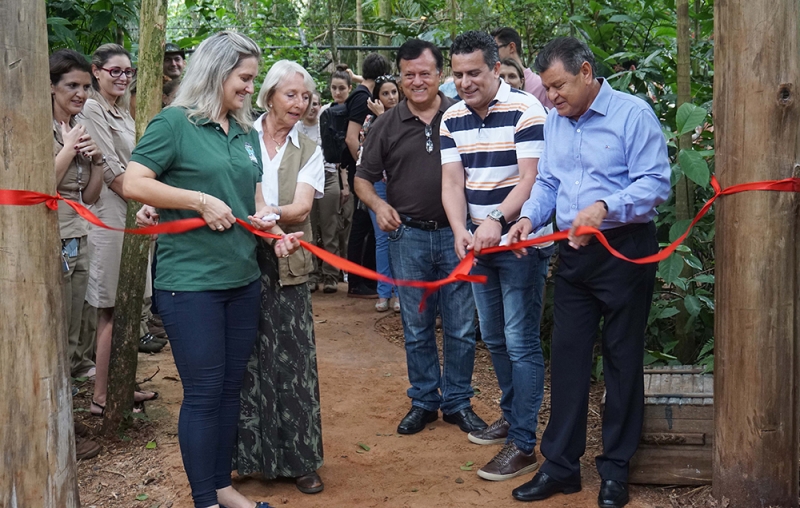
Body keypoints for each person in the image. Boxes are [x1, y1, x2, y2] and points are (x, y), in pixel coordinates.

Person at [124, 31, 298, 508]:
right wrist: (197, 201)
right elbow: (134, 182)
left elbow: (256, 200)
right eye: (243, 78)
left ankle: (222, 488)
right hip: (190, 284)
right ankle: (205, 499)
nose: (249, 87)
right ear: (216, 72)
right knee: (203, 393)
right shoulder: (174, 124)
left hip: (241, 279)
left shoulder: (242, 131)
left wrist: (272, 230)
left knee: (228, 390)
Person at [507, 37, 670, 507]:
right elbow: (550, 182)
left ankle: (616, 470)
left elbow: (655, 181)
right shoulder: (556, 121)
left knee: (621, 361)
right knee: (569, 359)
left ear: (585, 71)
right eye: (548, 88)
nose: (552, 96)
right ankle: (561, 467)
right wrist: (526, 219)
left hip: (623, 251)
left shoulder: (632, 114)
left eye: (558, 86)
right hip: (574, 254)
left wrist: (604, 207)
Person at [355, 39, 487, 436]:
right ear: (399, 76)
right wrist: (379, 208)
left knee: (462, 325)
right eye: (408, 74)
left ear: (440, 75)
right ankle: (425, 400)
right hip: (407, 237)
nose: (416, 81)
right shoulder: (385, 124)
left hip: (458, 235)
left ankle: (458, 402)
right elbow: (362, 178)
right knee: (416, 325)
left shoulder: (463, 114)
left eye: (425, 73)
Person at [441, 30, 553, 483]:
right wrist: (458, 230)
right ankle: (511, 417)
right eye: (458, 74)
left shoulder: (526, 109)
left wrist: (497, 220)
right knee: (496, 337)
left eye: (473, 73)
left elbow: (531, 178)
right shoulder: (451, 116)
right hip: (478, 246)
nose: (465, 82)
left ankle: (524, 443)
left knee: (521, 339)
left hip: (521, 244)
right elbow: (452, 181)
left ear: (494, 68)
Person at [232, 60, 326, 495]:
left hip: (286, 262)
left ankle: (301, 461)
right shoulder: (239, 136)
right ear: (268, 95)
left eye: (305, 96)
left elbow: (302, 207)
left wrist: (266, 216)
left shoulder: (308, 147)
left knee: (293, 360)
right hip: (237, 261)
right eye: (291, 94)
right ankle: (248, 457)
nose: (300, 103)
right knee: (245, 359)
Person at [79, 43, 158, 416]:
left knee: (129, 303)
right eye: (115, 71)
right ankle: (100, 396)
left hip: (135, 214)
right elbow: (111, 170)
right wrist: (147, 198)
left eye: (128, 72)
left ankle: (123, 383)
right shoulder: (92, 108)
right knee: (110, 307)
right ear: (96, 71)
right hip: (109, 216)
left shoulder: (125, 112)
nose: (123, 77)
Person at [50, 48, 105, 461]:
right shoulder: (41, 128)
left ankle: (65, 427)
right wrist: (68, 147)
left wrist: (98, 162)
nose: (81, 93)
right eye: (72, 85)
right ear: (51, 86)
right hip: (54, 239)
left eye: (86, 87)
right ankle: (58, 434)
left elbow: (88, 194)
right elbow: (38, 185)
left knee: (75, 335)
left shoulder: (77, 127)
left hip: (79, 234)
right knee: (58, 336)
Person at [344, 53, 391, 299]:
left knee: (369, 231)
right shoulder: (364, 100)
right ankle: (357, 282)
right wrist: (365, 172)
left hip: (365, 175)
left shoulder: (362, 93)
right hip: (366, 177)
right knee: (363, 229)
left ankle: (367, 280)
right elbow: (352, 138)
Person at [361, 74, 400, 312]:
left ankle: (399, 292)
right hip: (378, 185)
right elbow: (367, 151)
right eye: (385, 93)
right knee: (382, 239)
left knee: (401, 238)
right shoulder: (369, 121)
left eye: (394, 92)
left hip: (402, 186)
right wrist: (380, 118)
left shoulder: (407, 115)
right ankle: (384, 292)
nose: (391, 97)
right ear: (377, 97)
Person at [313, 65, 351, 293]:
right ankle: (311, 274)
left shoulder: (351, 113)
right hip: (310, 177)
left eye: (341, 88)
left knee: (332, 228)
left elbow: (340, 154)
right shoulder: (324, 114)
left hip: (332, 175)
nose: (337, 92)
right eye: (333, 88)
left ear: (349, 88)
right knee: (310, 227)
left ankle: (331, 274)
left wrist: (344, 183)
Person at [491, 27, 553, 108]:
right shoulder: (493, 83)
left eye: (495, 49)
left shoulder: (540, 85)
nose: (492, 54)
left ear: (511, 47)